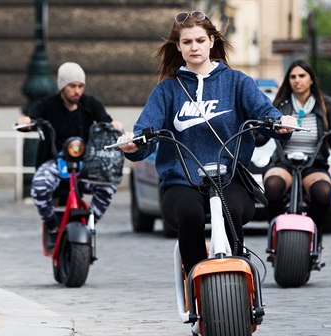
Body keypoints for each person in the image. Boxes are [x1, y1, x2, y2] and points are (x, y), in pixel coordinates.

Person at [116, 10, 297, 274]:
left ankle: (241, 282)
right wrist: (134, 144)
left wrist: (281, 123)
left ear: (212, 41)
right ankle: (196, 279)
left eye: (200, 40)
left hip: (230, 178)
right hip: (181, 182)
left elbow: (265, 114)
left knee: (232, 210)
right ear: (178, 46)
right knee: (190, 215)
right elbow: (146, 130)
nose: (194, 47)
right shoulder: (167, 90)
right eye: (187, 42)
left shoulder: (237, 82)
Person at [16, 62, 123, 251]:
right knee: (39, 186)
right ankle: (52, 226)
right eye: (72, 86)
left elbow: (106, 120)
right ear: (62, 86)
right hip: (55, 163)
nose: (77, 91)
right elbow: (30, 118)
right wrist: (25, 121)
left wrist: (114, 124)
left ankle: (90, 222)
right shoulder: (47, 105)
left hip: (86, 164)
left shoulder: (90, 104)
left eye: (80, 86)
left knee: (108, 186)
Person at [261, 59, 331, 229]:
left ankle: (313, 231)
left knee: (323, 192)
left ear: (311, 79)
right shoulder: (279, 104)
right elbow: (262, 138)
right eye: (292, 77)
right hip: (283, 163)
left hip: (314, 164)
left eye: (302, 75)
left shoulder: (326, 104)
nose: (297, 80)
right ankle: (275, 227)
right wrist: (253, 130)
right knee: (272, 185)